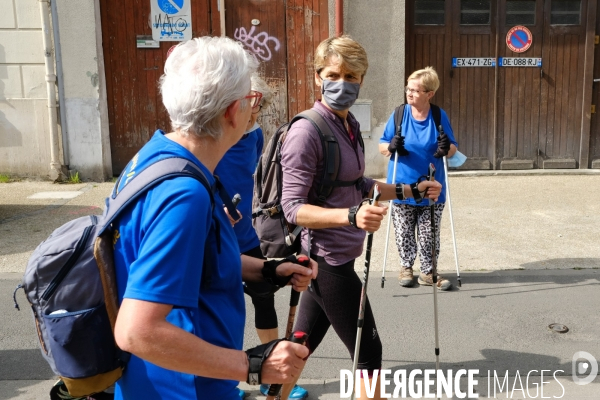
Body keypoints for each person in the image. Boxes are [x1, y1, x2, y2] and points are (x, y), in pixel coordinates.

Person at [110, 36, 317, 400]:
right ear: (233, 111)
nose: (255, 109)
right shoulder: (183, 195)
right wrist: (253, 366)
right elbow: (136, 331)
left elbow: (195, 260)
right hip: (182, 389)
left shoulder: (155, 155)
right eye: (251, 100)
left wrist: (268, 270)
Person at [278, 36, 442, 400]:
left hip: (331, 260)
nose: (343, 82)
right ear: (318, 76)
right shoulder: (307, 132)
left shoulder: (348, 125)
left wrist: (410, 190)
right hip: (328, 261)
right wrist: (351, 216)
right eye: (334, 73)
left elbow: (360, 183)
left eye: (351, 75)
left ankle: (276, 395)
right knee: (369, 354)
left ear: (362, 79)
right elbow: (292, 207)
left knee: (298, 347)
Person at [215, 73, 309, 399]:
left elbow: (259, 176)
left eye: (257, 108)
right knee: (221, 307)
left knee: (263, 297)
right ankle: (225, 379)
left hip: (247, 232)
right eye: (248, 106)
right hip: (217, 232)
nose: (253, 115)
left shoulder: (254, 133)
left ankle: (270, 374)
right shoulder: (213, 135)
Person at [378, 66, 458, 291]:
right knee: (403, 231)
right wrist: (391, 147)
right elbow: (382, 145)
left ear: (429, 94)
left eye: (415, 90)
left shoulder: (438, 115)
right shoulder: (399, 114)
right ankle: (406, 267)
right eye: (408, 89)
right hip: (402, 185)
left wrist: (446, 149)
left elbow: (453, 147)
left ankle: (428, 271)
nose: (409, 93)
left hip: (432, 185)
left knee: (429, 232)